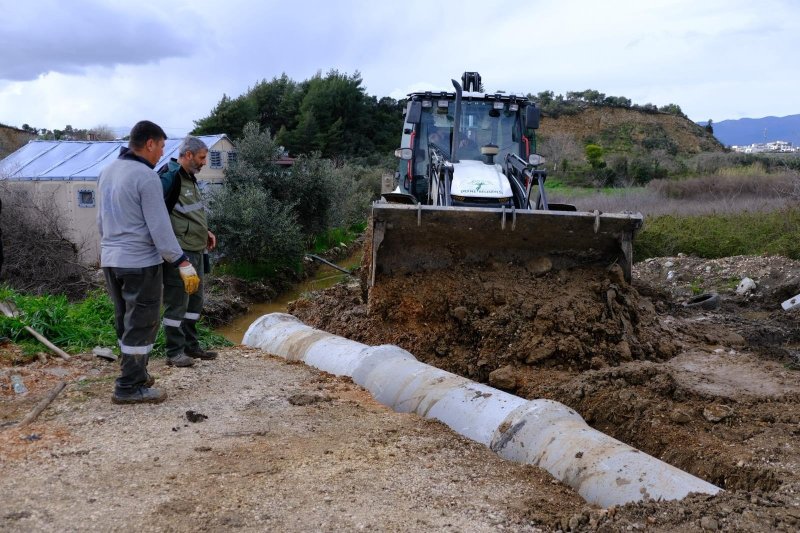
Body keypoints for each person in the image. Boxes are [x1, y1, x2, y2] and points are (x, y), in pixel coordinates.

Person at [97, 121, 200, 405]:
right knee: (142, 323)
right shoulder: (146, 176)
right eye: (162, 146)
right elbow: (159, 227)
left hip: (111, 259)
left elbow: (101, 221)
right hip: (139, 262)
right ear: (150, 143)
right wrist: (181, 260)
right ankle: (129, 386)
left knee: (125, 319)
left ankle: (136, 373)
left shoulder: (108, 171)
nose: (163, 153)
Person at [158, 136, 217, 367]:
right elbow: (156, 214)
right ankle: (174, 352)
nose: (204, 162)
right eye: (202, 157)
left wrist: (205, 231)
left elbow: (189, 213)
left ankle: (191, 346)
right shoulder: (170, 177)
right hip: (180, 253)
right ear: (189, 155)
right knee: (178, 302)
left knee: (195, 302)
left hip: (196, 249)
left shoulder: (189, 177)